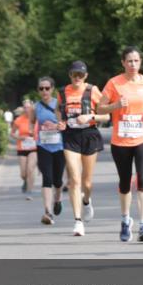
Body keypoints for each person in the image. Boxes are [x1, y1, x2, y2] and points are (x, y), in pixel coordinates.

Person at [98, 47, 143, 242]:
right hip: (121, 139)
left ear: (140, 63)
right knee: (125, 183)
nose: (133, 65)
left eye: (136, 61)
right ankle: (125, 220)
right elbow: (100, 107)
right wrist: (115, 106)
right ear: (123, 63)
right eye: (129, 61)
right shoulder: (114, 83)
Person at [60, 61, 107, 223]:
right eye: (74, 74)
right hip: (70, 136)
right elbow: (59, 113)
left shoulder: (92, 90)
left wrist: (90, 117)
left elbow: (106, 115)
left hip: (89, 135)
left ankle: (86, 201)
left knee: (86, 183)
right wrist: (61, 123)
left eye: (80, 74)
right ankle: (77, 221)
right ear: (70, 75)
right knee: (74, 179)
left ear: (85, 76)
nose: (77, 77)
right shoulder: (63, 92)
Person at [35, 78, 73, 232]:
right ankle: (47, 211)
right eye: (41, 88)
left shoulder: (59, 104)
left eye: (47, 88)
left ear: (52, 89)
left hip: (59, 146)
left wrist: (58, 126)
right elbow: (32, 123)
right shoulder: (35, 107)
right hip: (43, 146)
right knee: (47, 178)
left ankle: (57, 199)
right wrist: (38, 131)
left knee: (57, 180)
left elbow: (66, 123)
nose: (44, 91)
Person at [11, 101, 37, 198]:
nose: (27, 109)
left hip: (34, 148)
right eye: (25, 107)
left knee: (30, 169)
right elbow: (12, 133)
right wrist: (19, 138)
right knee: (23, 173)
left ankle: (30, 191)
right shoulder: (19, 120)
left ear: (32, 108)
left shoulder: (36, 120)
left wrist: (35, 135)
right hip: (22, 147)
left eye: (29, 107)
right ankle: (25, 181)